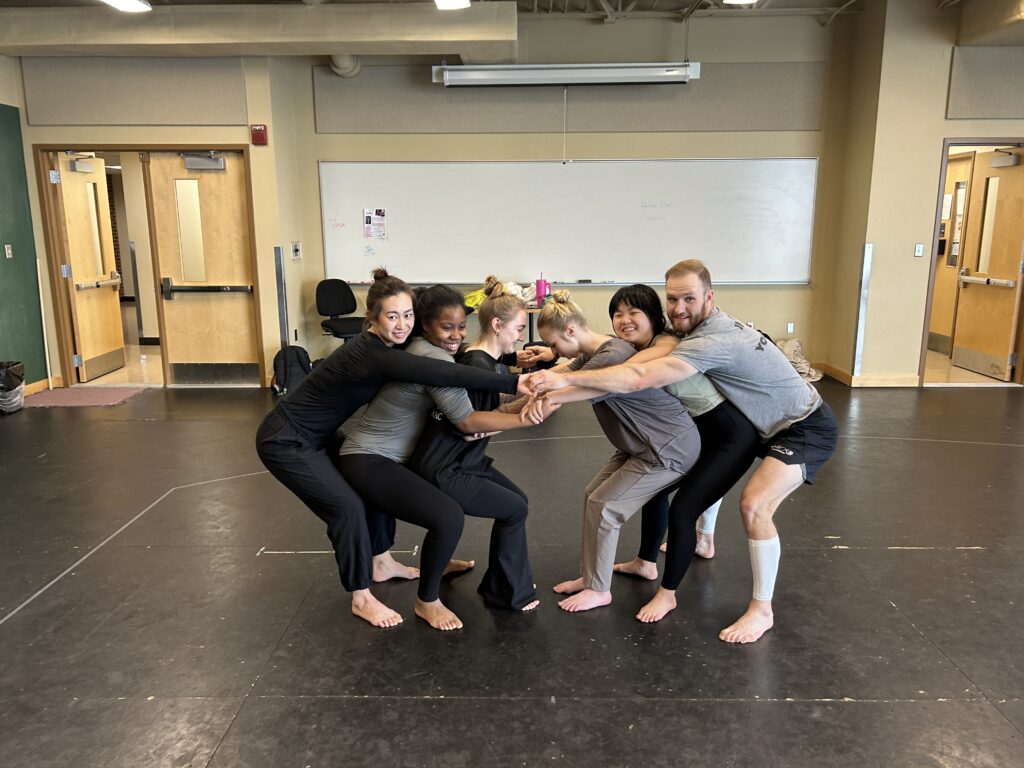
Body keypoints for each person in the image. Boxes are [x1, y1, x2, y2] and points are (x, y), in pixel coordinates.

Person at [523, 260, 837, 643]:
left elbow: (635, 375)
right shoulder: (681, 330)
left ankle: (752, 608)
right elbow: (614, 352)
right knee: (666, 490)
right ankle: (673, 551)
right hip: (747, 427)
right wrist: (557, 364)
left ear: (709, 297)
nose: (679, 307)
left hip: (800, 426)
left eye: (688, 298)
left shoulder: (702, 340)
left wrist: (561, 377)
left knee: (743, 506)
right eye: (672, 298)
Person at [255, 269, 527, 629]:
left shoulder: (398, 345)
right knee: (348, 507)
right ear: (372, 319)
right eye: (392, 316)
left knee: (371, 493)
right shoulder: (374, 353)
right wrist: (515, 381)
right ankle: (361, 596)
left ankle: (382, 562)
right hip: (286, 437)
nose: (401, 324)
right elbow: (447, 375)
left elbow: (454, 363)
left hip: (324, 433)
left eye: (407, 315)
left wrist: (514, 363)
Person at [337, 284, 548, 631]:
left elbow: (465, 361)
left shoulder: (424, 347)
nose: (456, 335)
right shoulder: (432, 359)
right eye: (446, 327)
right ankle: (427, 601)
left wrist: (511, 364)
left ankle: (427, 562)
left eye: (460, 326)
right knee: (448, 517)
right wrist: (524, 416)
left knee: (454, 511)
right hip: (369, 459)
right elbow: (466, 421)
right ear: (426, 326)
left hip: (386, 457)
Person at [523, 291, 701, 614]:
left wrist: (534, 402)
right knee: (594, 496)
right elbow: (562, 374)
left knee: (606, 507)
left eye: (553, 344)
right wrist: (522, 384)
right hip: (640, 444)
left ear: (571, 332)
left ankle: (598, 589)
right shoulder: (599, 350)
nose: (552, 352)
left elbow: (576, 388)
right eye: (618, 314)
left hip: (668, 448)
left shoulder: (617, 353)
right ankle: (592, 576)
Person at [408, 279, 539, 613]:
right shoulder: (476, 366)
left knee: (518, 502)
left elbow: (490, 409)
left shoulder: (480, 360)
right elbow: (471, 427)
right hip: (446, 467)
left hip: (465, 460)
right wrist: (529, 413)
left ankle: (503, 582)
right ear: (497, 325)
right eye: (518, 329)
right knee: (514, 510)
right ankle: (510, 593)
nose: (520, 336)